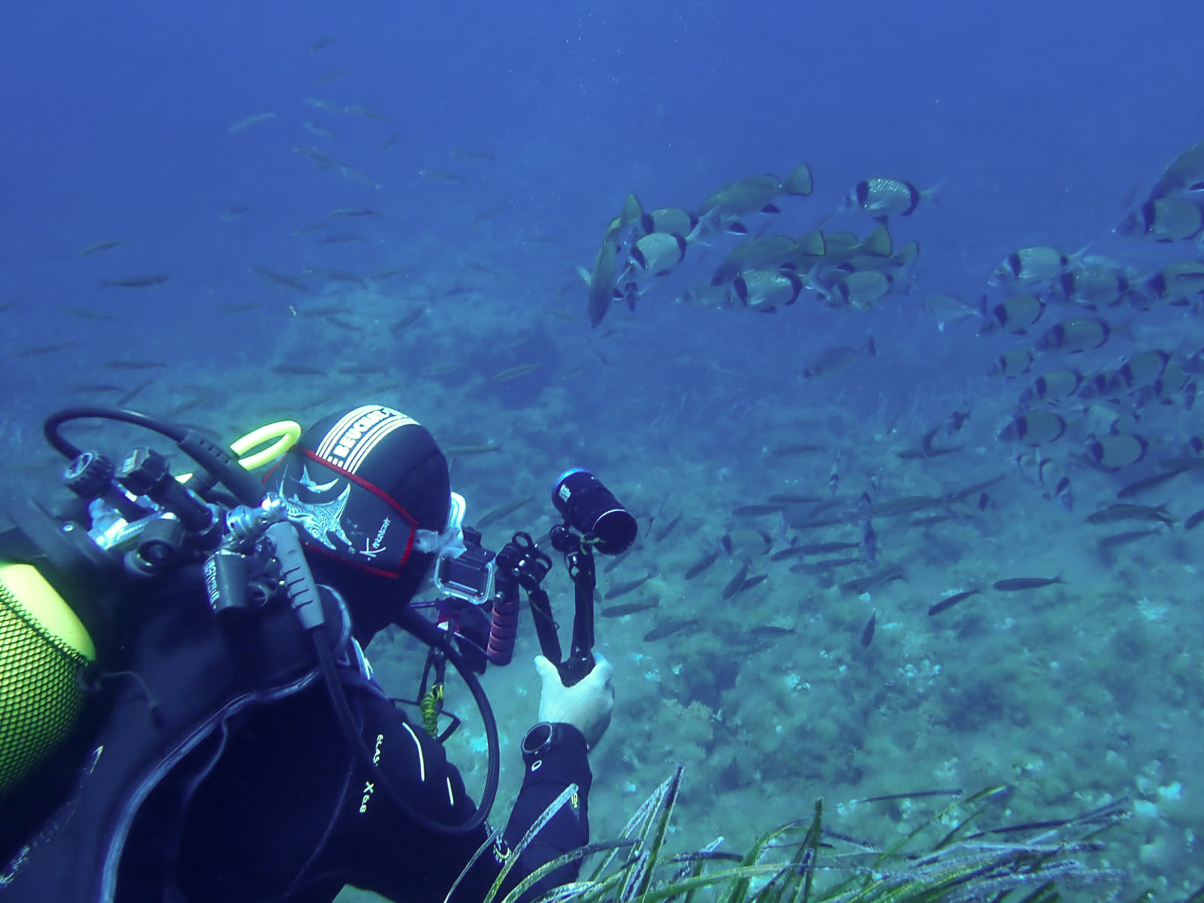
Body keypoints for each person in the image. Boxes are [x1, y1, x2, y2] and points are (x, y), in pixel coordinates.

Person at [0, 403, 616, 903]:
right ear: (410, 567)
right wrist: (564, 740)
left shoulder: (145, 564)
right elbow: (518, 894)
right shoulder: (360, 745)